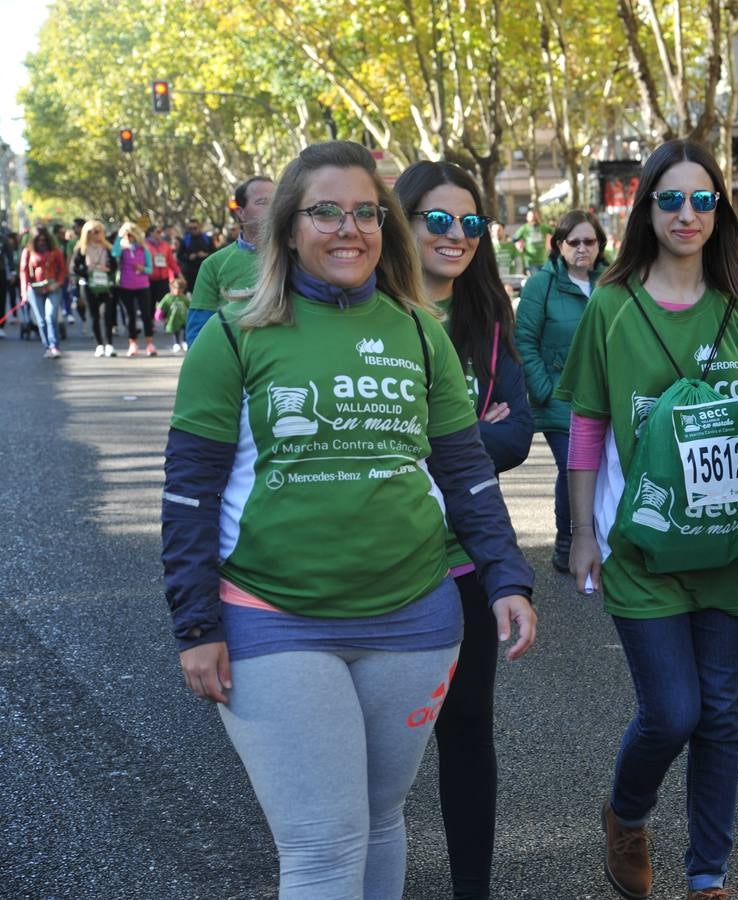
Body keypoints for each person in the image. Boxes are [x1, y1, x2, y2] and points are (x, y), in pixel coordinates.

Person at [161, 140, 536, 898]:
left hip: (416, 622)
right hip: (274, 620)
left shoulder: (420, 330)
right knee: (324, 847)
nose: (348, 229)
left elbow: (462, 472)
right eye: (325, 211)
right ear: (290, 227)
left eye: (365, 212)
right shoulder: (232, 337)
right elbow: (189, 495)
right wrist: (195, 626)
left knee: (377, 818)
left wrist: (506, 577)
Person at [555, 139, 738, 900]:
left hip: (728, 547)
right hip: (640, 544)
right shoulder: (611, 306)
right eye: (670, 199)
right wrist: (583, 532)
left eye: (702, 200)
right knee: (673, 711)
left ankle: (707, 877)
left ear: (720, 213)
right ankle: (626, 816)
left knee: (722, 715)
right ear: (645, 210)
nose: (687, 214)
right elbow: (589, 423)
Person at [393, 159, 536, 900]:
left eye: (472, 223)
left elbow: (519, 434)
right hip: (384, 566)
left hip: (468, 558)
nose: (457, 236)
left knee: (467, 735)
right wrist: (465, 437)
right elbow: (375, 443)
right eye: (438, 221)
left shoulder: (486, 317)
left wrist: (451, 445)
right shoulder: (374, 312)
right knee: (378, 752)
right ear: (404, 222)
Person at [515, 208, 608, 575]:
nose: (583, 248)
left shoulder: (614, 281)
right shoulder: (542, 284)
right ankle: (567, 541)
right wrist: (544, 389)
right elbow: (524, 340)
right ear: (559, 245)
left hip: (605, 399)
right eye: (575, 242)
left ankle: (600, 538)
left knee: (603, 468)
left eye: (590, 241)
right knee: (574, 468)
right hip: (560, 401)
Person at [186, 176, 275, 347]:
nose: (272, 208)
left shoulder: (299, 256)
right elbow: (198, 331)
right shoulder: (214, 264)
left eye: (276, 201)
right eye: (262, 202)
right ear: (240, 212)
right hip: (234, 363)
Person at [71, 220, 118, 357]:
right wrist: (87, 271)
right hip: (89, 286)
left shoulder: (108, 248)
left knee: (107, 314)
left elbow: (114, 266)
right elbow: (74, 268)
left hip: (106, 286)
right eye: (91, 232)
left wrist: (107, 269)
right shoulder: (81, 249)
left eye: (97, 232)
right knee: (94, 316)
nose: (94, 235)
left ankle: (109, 344)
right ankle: (99, 345)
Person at [19, 225, 67, 357]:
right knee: (40, 320)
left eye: (44, 240)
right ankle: (48, 346)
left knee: (50, 316)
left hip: (52, 287)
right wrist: (24, 292)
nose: (41, 243)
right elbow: (23, 272)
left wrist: (58, 283)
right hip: (34, 288)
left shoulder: (55, 251)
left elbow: (63, 269)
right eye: (38, 240)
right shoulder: (28, 251)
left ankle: (54, 346)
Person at [113, 222, 157, 356]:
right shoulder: (122, 249)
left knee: (146, 315)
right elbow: (114, 252)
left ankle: (150, 344)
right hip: (126, 286)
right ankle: (133, 344)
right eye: (127, 235)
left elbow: (150, 270)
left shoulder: (144, 249)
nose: (129, 237)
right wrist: (120, 236)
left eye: (131, 234)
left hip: (142, 286)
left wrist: (142, 268)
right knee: (130, 316)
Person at [147, 224, 182, 314]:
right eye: (158, 232)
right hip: (149, 280)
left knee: (166, 303)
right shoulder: (145, 245)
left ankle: (168, 324)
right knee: (150, 304)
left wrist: (179, 274)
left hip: (163, 279)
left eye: (160, 232)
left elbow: (171, 262)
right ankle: (151, 325)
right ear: (151, 233)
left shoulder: (165, 245)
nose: (160, 234)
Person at [177, 218, 214, 290]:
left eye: (195, 228)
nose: (193, 230)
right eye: (190, 228)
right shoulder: (185, 240)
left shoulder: (207, 238)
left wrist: (206, 254)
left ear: (199, 227)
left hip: (206, 272)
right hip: (190, 274)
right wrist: (188, 257)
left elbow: (215, 253)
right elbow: (179, 255)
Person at [157, 275, 190, 353]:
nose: (178, 291)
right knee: (176, 331)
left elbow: (190, 305)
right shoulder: (168, 297)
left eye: (180, 289)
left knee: (185, 330)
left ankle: (185, 341)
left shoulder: (183, 297)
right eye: (176, 288)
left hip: (183, 318)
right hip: (173, 319)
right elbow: (162, 305)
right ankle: (176, 343)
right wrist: (159, 313)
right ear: (172, 288)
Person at [513, 208, 551, 275]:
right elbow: (514, 238)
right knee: (536, 280)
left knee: (543, 280)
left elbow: (557, 234)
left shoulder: (544, 227)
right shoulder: (524, 228)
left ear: (538, 217)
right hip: (530, 261)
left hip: (543, 260)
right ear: (527, 218)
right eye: (531, 217)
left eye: (535, 216)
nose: (533, 218)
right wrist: (519, 247)